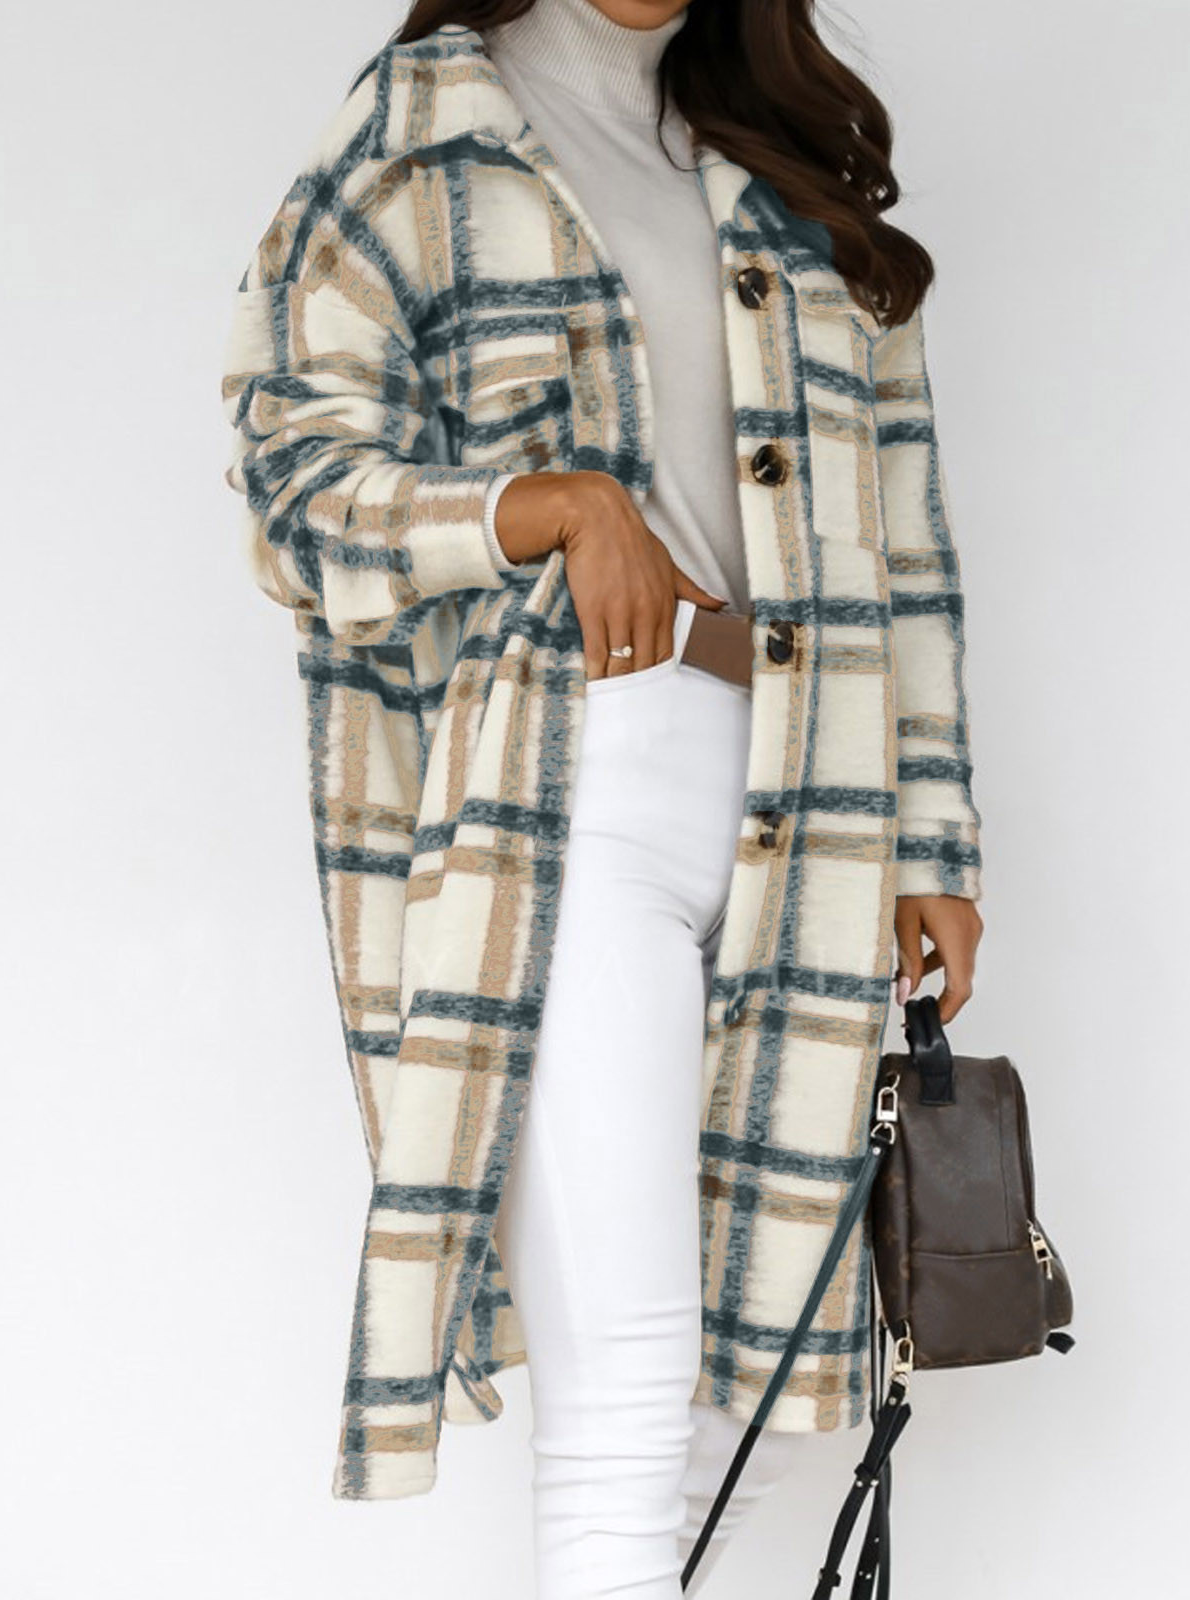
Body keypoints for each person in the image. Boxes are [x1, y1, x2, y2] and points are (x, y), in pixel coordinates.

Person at [219, 0, 985, 1593]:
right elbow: (296, 486)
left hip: (816, 810)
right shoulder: (424, 136)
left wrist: (933, 837)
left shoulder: (786, 178)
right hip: (579, 784)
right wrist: (541, 505)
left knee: (758, 1390)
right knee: (632, 1374)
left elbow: (906, 544)